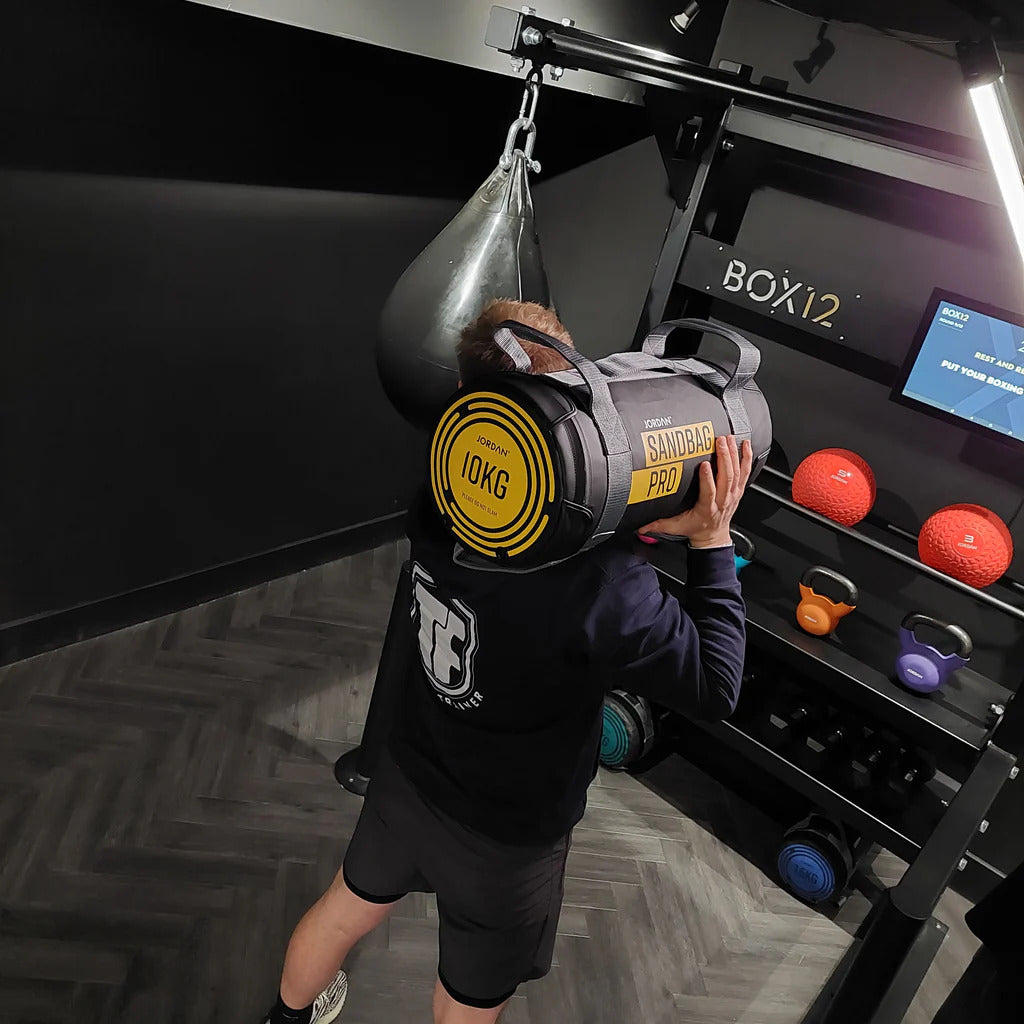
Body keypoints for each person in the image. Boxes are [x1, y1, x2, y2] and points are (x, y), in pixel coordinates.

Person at [262, 299, 752, 1024]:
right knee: (469, 996)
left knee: (347, 906)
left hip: (411, 770)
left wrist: (632, 528)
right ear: (569, 392)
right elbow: (717, 685)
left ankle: (285, 1018)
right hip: (504, 833)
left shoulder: (443, 489)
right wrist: (710, 542)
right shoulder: (605, 589)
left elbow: (528, 556)